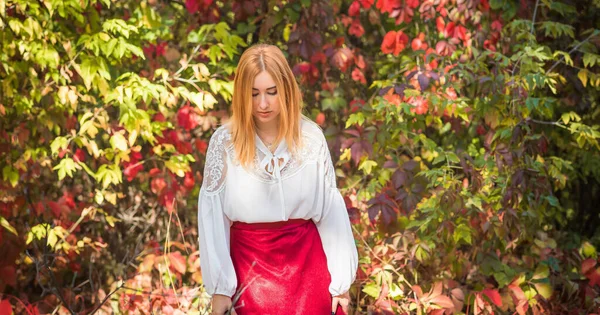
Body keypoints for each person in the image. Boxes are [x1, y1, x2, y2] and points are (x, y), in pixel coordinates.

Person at [197, 43, 358, 315]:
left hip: (308, 272)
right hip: (250, 272)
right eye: (254, 93)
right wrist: (221, 289)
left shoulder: (310, 138)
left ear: (285, 90)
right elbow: (214, 219)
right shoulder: (224, 143)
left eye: (272, 92)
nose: (263, 103)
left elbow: (330, 212)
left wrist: (341, 283)